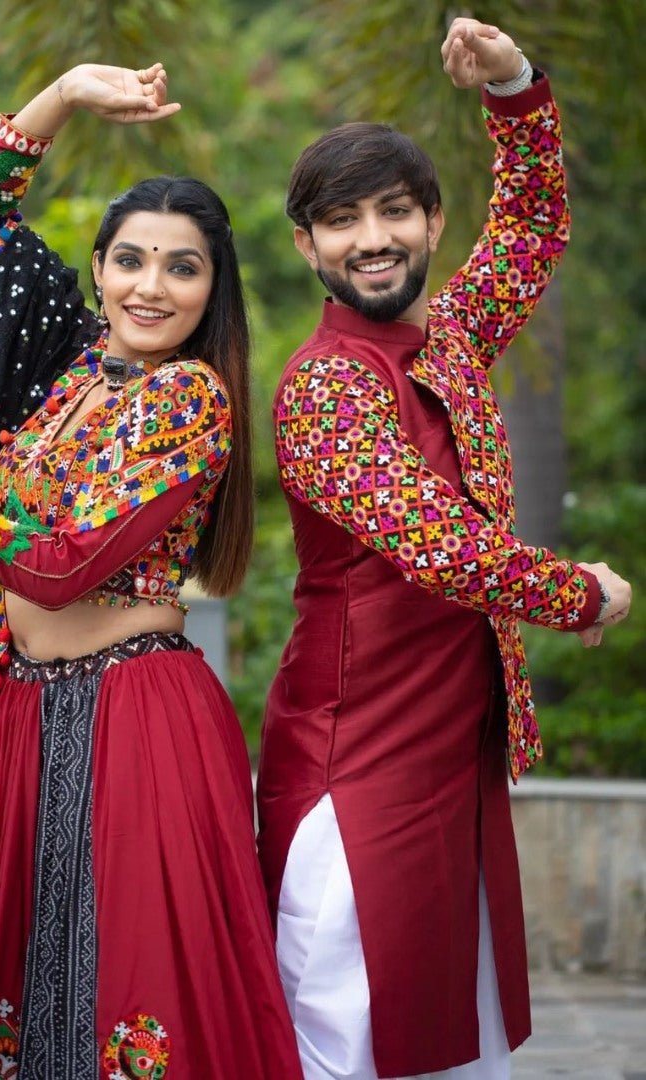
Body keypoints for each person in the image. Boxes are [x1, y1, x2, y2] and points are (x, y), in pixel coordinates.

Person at [0, 62, 301, 1079]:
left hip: (136, 714)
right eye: (130, 260)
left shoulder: (188, 401)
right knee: (16, 1004)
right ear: (98, 269)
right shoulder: (64, 368)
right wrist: (60, 94)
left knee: (135, 998)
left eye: (181, 268)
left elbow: (60, 570)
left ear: (211, 288)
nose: (150, 286)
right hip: (23, 708)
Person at [256, 18, 632, 1080]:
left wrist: (512, 86)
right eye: (340, 221)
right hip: (355, 764)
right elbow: (443, 548)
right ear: (306, 247)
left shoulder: (449, 344)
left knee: (452, 1043)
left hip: (447, 755)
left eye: (392, 211)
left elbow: (533, 225)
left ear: (430, 222)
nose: (370, 238)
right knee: (345, 1036)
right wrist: (582, 593)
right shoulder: (325, 385)